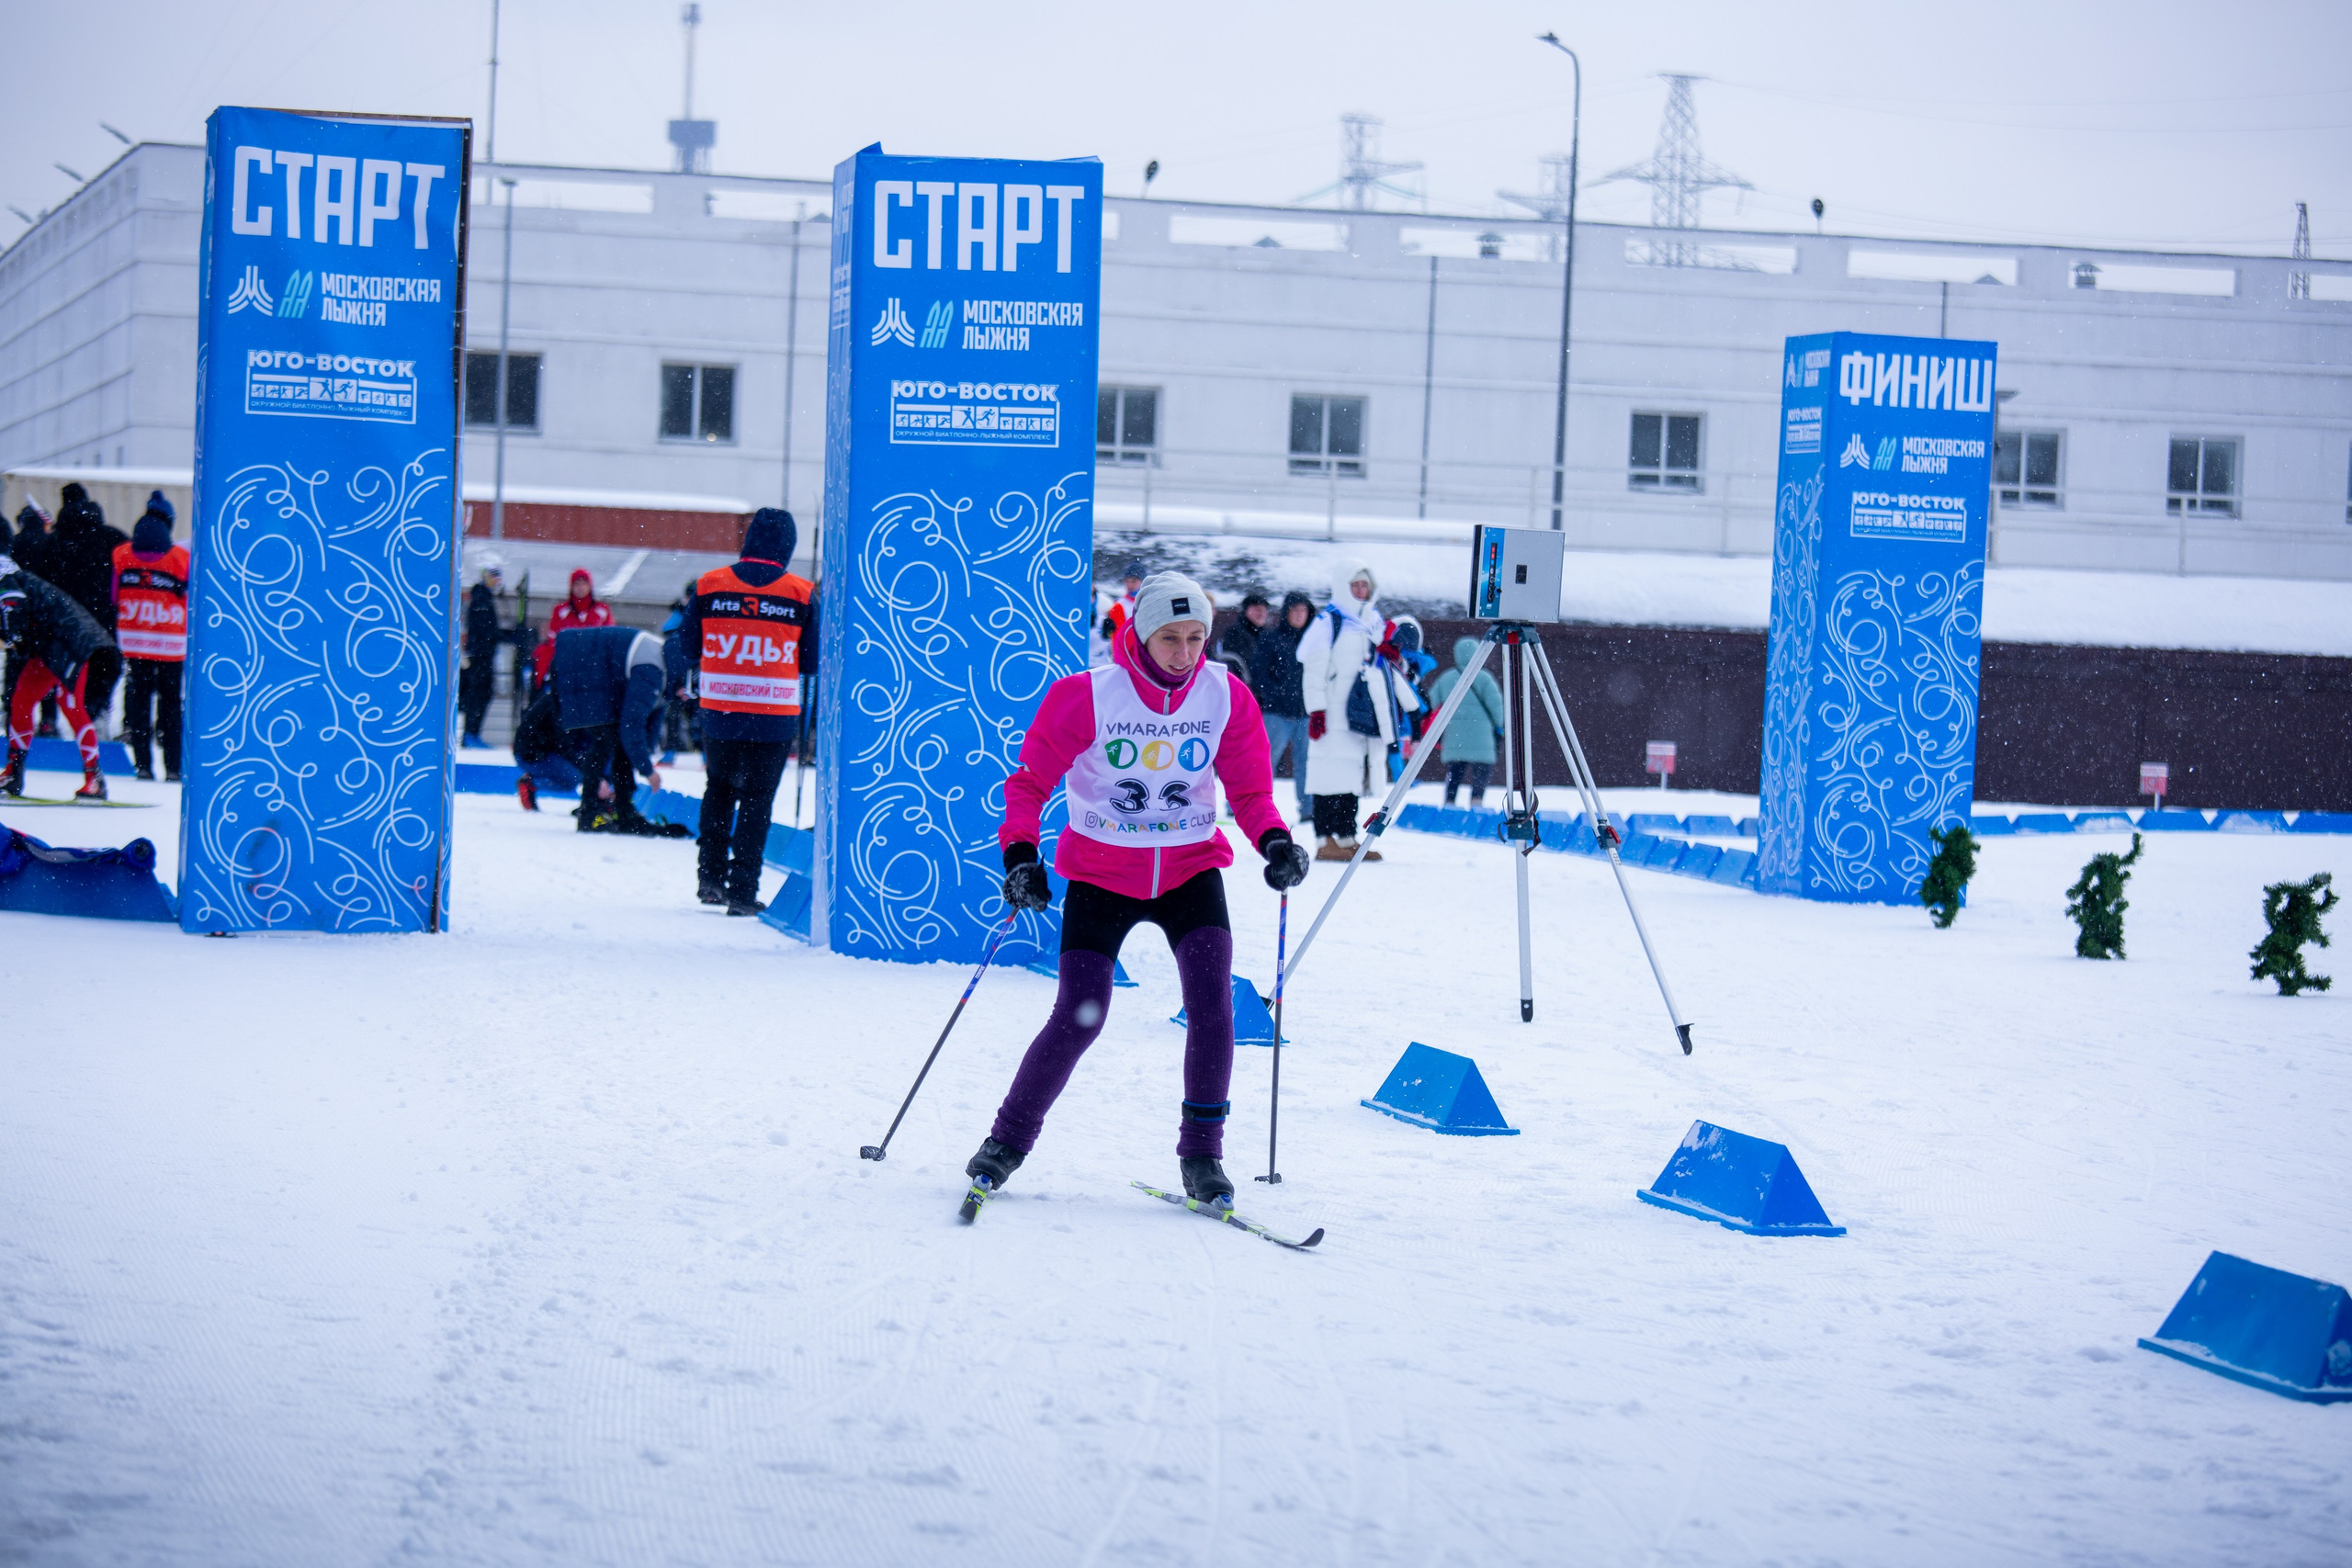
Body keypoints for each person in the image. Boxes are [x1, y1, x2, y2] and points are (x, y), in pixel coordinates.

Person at [967, 571, 1310, 1207]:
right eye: (1170, 638)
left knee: (1213, 1008)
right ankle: (1007, 1141)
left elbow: (1253, 791)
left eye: (1196, 638)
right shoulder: (1089, 696)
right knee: (1078, 1013)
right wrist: (1019, 853)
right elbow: (1028, 782)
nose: (1185, 654)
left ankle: (1203, 1154)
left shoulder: (1225, 696)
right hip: (1103, 873)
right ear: (1140, 635)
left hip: (1189, 872)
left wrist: (1274, 841)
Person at [681, 508, 812, 915]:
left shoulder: (710, 585)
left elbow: (686, 647)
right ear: (787, 547)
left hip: (720, 709)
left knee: (718, 790)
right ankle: (742, 892)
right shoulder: (801, 593)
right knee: (758, 801)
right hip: (773, 715)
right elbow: (810, 661)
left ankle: (710, 878)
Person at [1295, 561, 1418, 862]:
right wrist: (1317, 710)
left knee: (1352, 778)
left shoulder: (1373, 622)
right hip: (1332, 716)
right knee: (1326, 777)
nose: (1362, 591)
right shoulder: (1329, 621)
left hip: (1360, 716)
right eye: (1356, 585)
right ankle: (1325, 839)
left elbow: (1384, 667)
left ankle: (1347, 837)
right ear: (1344, 587)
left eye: (1366, 586)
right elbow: (1313, 668)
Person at [511, 624, 679, 834]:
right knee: (572, 778)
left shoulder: (596, 700)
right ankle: (532, 783)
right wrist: (595, 779)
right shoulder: (570, 703)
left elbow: (636, 733)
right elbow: (567, 746)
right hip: (536, 753)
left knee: (606, 758)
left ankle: (603, 803)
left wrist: (620, 780)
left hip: (566, 747)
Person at [0, 558, 117, 800]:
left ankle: (94, 777)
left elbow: (14, 609)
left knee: (71, 705)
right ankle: (14, 772)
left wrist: (14, 638)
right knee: (21, 700)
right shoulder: (12, 577)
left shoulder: (7, 579)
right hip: (49, 644)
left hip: (71, 643)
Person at [109, 498, 190, 781]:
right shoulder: (182, 559)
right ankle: (173, 769)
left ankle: (143, 766)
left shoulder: (121, 555)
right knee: (170, 705)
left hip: (134, 642)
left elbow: (113, 597)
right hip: (171, 645)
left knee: (138, 703)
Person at [45, 484, 130, 728]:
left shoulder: (55, 541)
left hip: (65, 618)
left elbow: (45, 578)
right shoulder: (113, 537)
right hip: (103, 615)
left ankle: (56, 717)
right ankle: (96, 709)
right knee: (106, 665)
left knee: (58, 667)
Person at [1249, 591, 1315, 822]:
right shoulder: (1271, 638)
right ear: (1286, 612)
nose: (1299, 615)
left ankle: (1308, 810)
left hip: (1305, 713)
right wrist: (1274, 695)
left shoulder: (1313, 640)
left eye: (1303, 610)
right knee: (1264, 761)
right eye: (1295, 610)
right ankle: (1250, 805)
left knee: (1306, 763)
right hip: (1276, 713)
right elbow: (1258, 671)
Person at [6, 504, 61, 741]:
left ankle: (13, 717)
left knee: (16, 669)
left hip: (19, 614)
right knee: (45, 669)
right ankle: (47, 721)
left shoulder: (14, 544)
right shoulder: (52, 542)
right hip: (44, 615)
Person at [1430, 636, 1505, 807]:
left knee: (1455, 771)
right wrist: (1498, 725)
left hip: (1454, 734)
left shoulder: (1446, 678)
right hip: (1482, 734)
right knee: (1481, 770)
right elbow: (1497, 707)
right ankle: (1476, 801)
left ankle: (1449, 802)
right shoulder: (1485, 678)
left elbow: (1432, 702)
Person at [532, 566, 614, 690]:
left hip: (594, 663)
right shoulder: (560, 611)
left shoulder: (602, 610)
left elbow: (609, 638)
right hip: (566, 662)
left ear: (590, 586)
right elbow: (554, 638)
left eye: (584, 584)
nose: (580, 588)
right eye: (577, 584)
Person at [458, 554, 509, 749]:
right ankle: (471, 734)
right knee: (478, 695)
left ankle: (473, 733)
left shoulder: (485, 597)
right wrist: (504, 636)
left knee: (482, 694)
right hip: (480, 657)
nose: (496, 580)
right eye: (493, 575)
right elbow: (486, 630)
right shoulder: (481, 597)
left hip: (483, 656)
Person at [657, 579, 700, 762]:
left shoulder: (704, 620)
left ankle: (703, 752)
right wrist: (678, 685)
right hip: (676, 680)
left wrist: (695, 686)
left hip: (698, 679)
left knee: (702, 714)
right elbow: (670, 658)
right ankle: (670, 751)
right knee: (672, 714)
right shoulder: (674, 624)